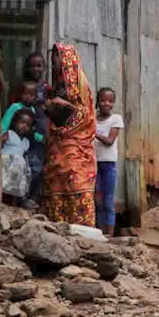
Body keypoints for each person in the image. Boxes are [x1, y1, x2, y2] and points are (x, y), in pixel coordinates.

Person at [42, 44, 98, 226]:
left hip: (75, 142)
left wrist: (63, 105)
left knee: (77, 181)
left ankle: (83, 226)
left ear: (68, 61)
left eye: (58, 58)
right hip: (58, 142)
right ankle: (59, 224)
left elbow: (85, 114)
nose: (54, 63)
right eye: (53, 59)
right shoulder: (58, 85)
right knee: (56, 180)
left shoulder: (78, 85)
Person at [0, 79, 44, 209]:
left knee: (31, 172)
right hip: (10, 145)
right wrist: (3, 134)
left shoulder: (33, 110)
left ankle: (23, 198)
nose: (28, 97)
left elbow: (32, 129)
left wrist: (41, 138)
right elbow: (5, 123)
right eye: (25, 94)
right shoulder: (15, 107)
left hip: (24, 145)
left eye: (31, 95)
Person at [14, 52, 50, 206]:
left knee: (40, 169)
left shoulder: (47, 89)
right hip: (25, 134)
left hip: (41, 134)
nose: (36, 69)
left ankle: (34, 198)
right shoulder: (23, 88)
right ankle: (23, 198)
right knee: (26, 167)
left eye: (39, 65)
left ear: (44, 68)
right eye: (32, 66)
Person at [93, 87, 124, 236]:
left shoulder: (116, 119)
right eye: (103, 100)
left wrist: (93, 132)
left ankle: (110, 234)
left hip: (108, 165)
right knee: (98, 201)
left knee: (108, 201)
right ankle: (100, 232)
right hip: (94, 164)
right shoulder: (92, 118)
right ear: (98, 102)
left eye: (110, 101)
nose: (106, 103)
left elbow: (110, 141)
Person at [1, 110, 34, 206]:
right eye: (22, 123)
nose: (24, 126)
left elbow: (24, 156)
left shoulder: (26, 142)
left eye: (28, 125)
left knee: (17, 185)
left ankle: (14, 203)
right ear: (15, 122)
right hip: (7, 163)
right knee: (4, 183)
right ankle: (2, 200)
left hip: (18, 168)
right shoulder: (9, 134)